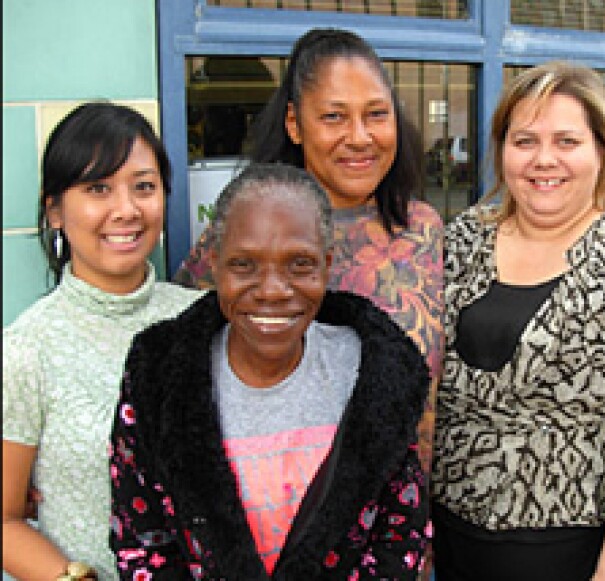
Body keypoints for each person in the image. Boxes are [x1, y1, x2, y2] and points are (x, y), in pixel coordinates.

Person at [431, 60, 605, 580]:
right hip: (454, 545)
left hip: (580, 554)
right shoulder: (462, 240)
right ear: (502, 150)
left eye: (567, 141)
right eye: (525, 140)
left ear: (602, 152)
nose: (544, 160)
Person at [109, 163, 431, 579]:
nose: (272, 290)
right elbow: (143, 544)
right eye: (244, 264)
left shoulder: (374, 378)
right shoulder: (158, 378)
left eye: (299, 265)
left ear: (326, 265)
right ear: (215, 263)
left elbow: (399, 539)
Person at [172, 28, 443, 472]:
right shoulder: (243, 236)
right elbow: (176, 361)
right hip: (278, 509)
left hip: (405, 521)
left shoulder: (425, 233)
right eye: (334, 117)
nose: (359, 137)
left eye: (376, 114)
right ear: (295, 125)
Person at [2, 102, 202, 580]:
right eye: (98, 189)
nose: (126, 209)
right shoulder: (27, 348)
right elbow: (5, 519)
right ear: (55, 210)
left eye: (144, 187)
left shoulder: (200, 321)